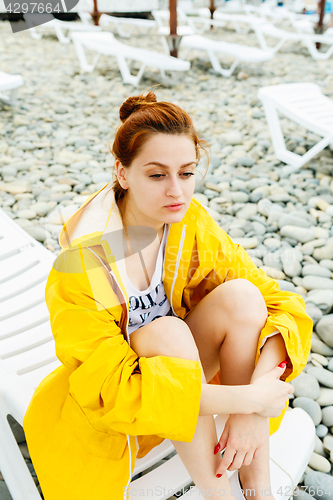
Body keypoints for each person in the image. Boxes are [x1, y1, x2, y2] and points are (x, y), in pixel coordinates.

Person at [23, 91, 312, 500]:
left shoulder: (188, 223)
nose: (177, 191)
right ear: (122, 173)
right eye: (157, 175)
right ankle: (221, 496)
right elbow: (113, 391)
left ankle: (258, 485)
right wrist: (247, 396)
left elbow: (278, 305)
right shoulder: (84, 263)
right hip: (126, 411)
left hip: (189, 387)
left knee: (243, 297)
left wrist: (249, 411)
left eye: (187, 173)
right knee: (168, 333)